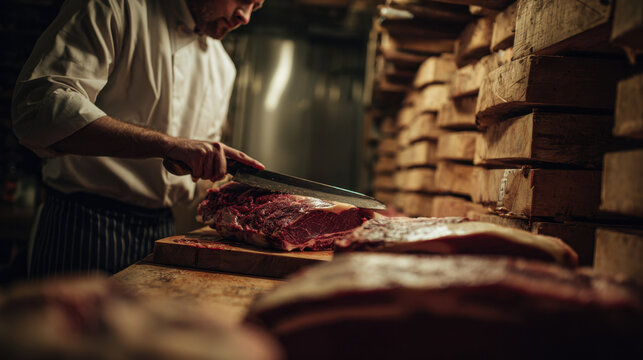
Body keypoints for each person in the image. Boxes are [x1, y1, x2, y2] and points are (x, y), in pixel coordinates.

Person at [11, 0, 265, 278]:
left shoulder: (223, 68)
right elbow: (41, 108)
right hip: (82, 224)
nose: (245, 16)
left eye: (256, 5)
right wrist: (168, 145)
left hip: (161, 233)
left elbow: (197, 171)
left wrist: (246, 204)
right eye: (242, 0)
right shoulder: (115, 7)